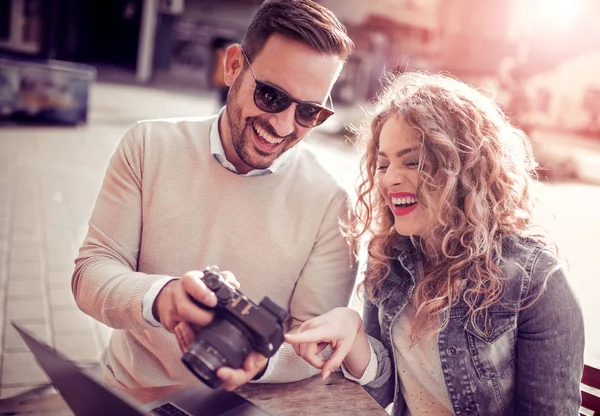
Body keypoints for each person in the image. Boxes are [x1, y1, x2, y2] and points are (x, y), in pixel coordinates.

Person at [72, 0, 356, 391]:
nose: (284, 125)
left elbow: (317, 342)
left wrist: (258, 364)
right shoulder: (148, 145)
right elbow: (91, 273)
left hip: (247, 405)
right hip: (132, 394)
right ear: (233, 65)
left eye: (309, 112)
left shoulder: (331, 203)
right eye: (271, 96)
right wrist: (161, 299)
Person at [286, 71, 585, 415]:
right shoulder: (390, 258)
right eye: (383, 164)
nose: (390, 179)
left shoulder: (535, 282)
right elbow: (383, 389)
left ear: (465, 169)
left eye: (413, 162)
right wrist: (352, 335)